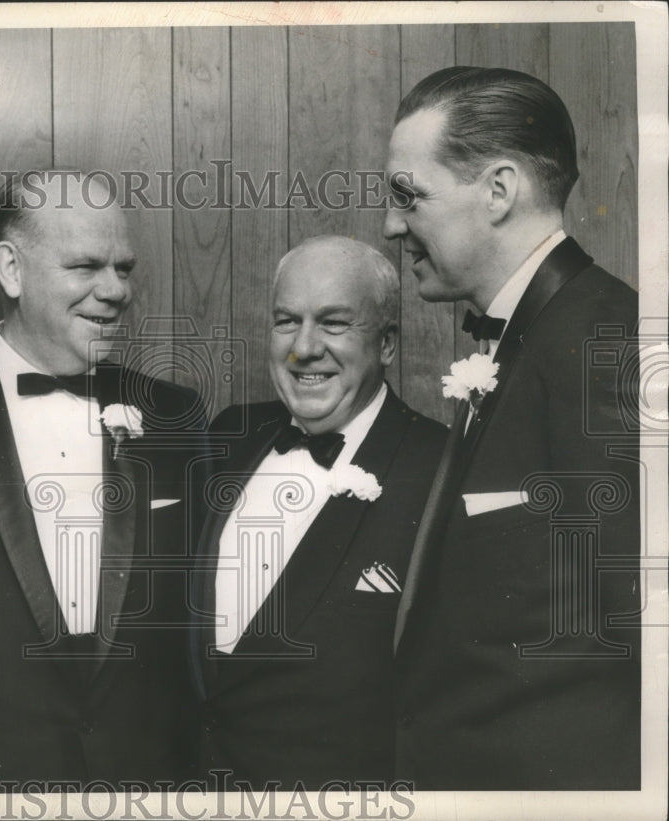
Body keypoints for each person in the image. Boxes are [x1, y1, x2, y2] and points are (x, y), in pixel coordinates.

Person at [0, 171, 208, 790]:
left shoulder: (177, 417)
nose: (115, 290)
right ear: (11, 269)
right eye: (86, 266)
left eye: (124, 267)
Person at [383, 66, 640, 789]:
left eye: (409, 195)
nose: (390, 223)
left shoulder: (604, 344)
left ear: (498, 191)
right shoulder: (533, 335)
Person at [189, 236, 447, 790]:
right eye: (287, 321)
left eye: (333, 323)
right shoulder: (227, 436)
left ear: (387, 344)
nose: (304, 348)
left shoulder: (442, 471)